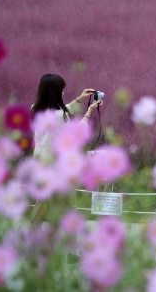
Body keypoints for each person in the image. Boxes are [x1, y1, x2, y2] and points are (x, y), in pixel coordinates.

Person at [30, 73, 103, 226]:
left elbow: (59, 113)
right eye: (62, 90)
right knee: (69, 208)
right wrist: (89, 112)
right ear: (56, 92)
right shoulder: (60, 116)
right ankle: (71, 245)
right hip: (58, 168)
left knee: (41, 205)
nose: (63, 93)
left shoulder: (35, 110)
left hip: (40, 166)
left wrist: (79, 99)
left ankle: (31, 241)